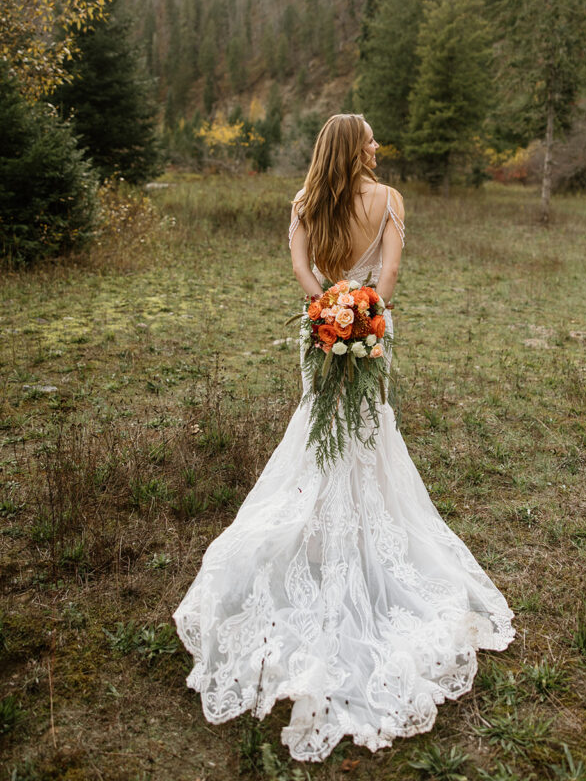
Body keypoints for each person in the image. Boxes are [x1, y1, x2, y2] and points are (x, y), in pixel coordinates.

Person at [172, 114, 515, 763]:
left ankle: (324, 532)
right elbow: (385, 279)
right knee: (363, 434)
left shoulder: (304, 202)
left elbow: (299, 267)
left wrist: (324, 310)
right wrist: (363, 320)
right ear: (352, 149)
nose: (378, 147)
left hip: (320, 329)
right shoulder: (388, 201)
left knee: (315, 431)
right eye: (370, 140)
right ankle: (348, 540)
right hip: (370, 332)